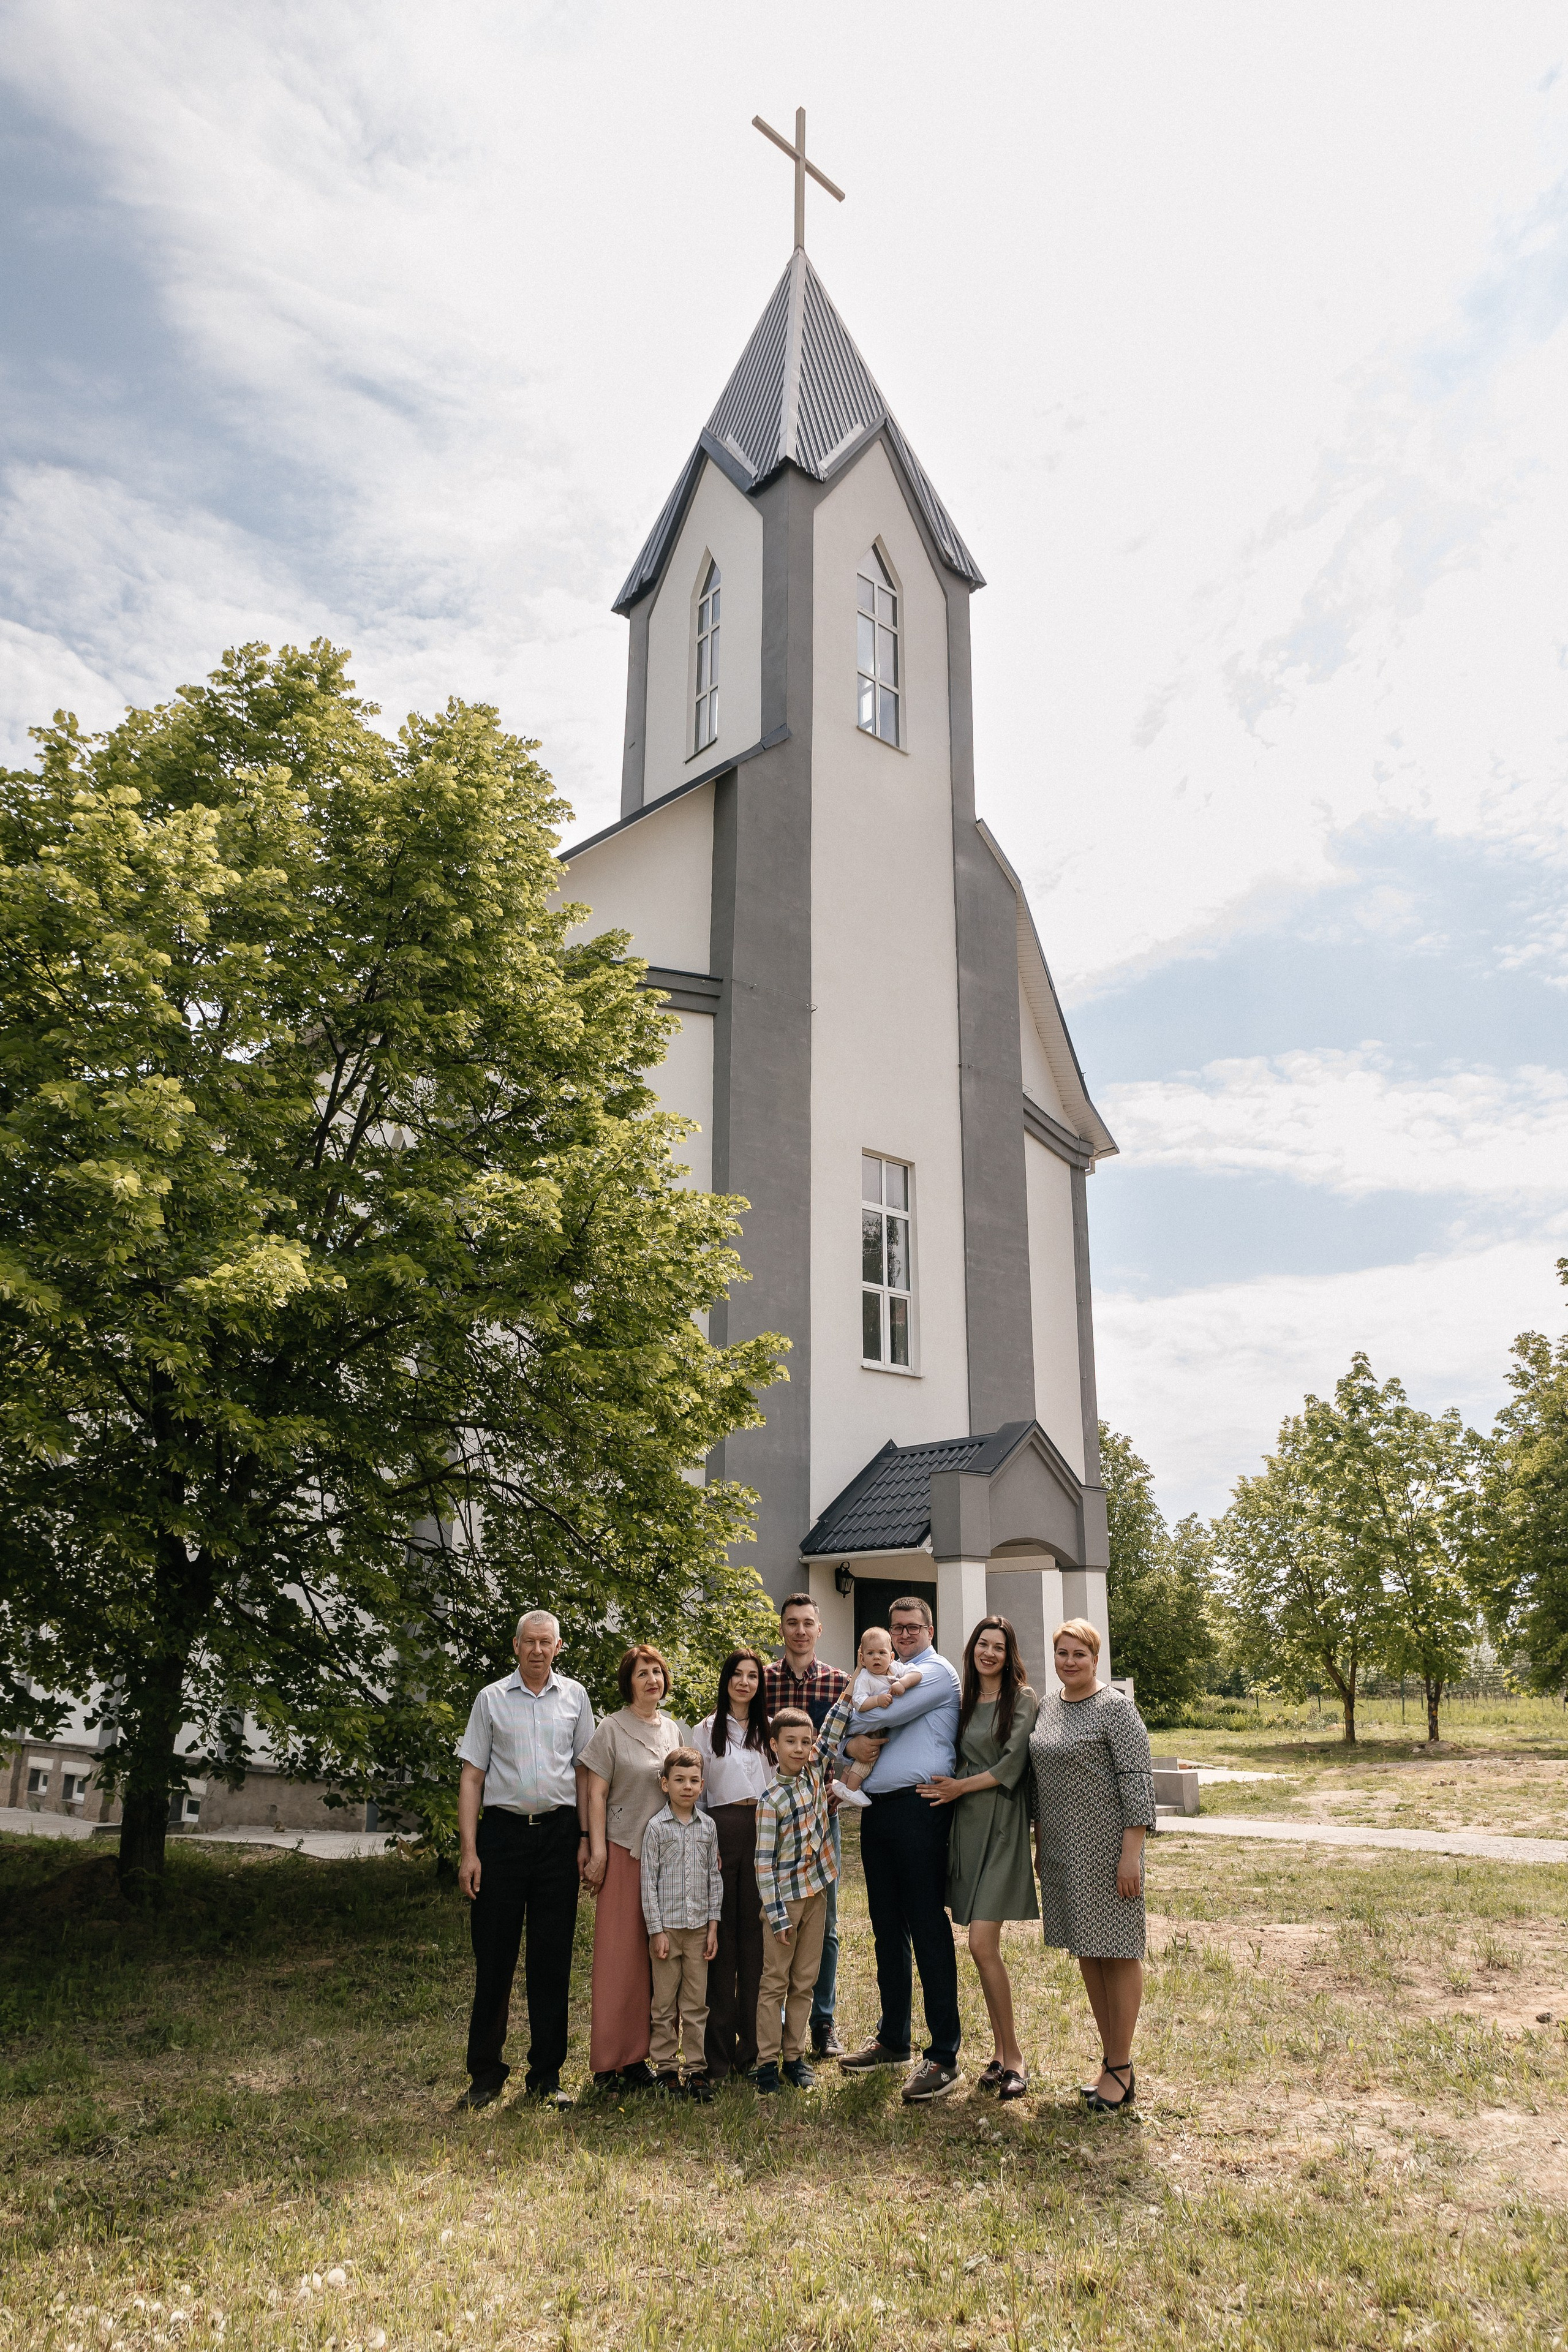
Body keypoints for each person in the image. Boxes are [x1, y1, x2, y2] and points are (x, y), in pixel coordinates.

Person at [455, 1609, 595, 2111]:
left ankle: (546, 2075)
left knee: (551, 1960)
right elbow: (471, 1777)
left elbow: (586, 1774)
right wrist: (470, 1851)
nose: (538, 1650)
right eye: (529, 1642)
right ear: (516, 1646)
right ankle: (485, 2075)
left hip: (558, 1838)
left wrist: (585, 1839)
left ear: (559, 1647)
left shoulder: (576, 1698)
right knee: (494, 1958)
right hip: (502, 1840)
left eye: (546, 1643)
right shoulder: (491, 1699)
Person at [837, 1594, 965, 2103]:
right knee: (886, 1926)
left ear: (930, 1629)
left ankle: (944, 2053)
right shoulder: (887, 1672)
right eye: (897, 1629)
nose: (905, 1635)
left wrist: (850, 1723)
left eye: (913, 1627)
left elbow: (861, 1717)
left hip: (919, 1808)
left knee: (926, 1924)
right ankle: (894, 2040)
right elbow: (853, 1722)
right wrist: (850, 1730)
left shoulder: (935, 1674)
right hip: (878, 1811)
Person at [1029, 1616, 1156, 2111]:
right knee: (1087, 1949)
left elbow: (1137, 1783)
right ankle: (1110, 2062)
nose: (1069, 1662)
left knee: (1119, 1951)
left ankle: (1121, 2068)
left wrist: (1132, 1855)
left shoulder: (1116, 1711)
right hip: (1062, 1848)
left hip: (1108, 1848)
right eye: (1062, 1654)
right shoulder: (1048, 1707)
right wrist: (1042, 1842)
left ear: (1095, 1658)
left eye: (1078, 1654)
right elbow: (1040, 1783)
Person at [918, 1615, 1039, 2100]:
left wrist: (958, 1788)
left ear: (1010, 1655)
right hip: (966, 1825)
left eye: (999, 1647)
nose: (989, 1653)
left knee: (982, 1945)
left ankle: (1015, 2058)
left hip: (1004, 1823)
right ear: (972, 1650)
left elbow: (1012, 1764)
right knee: (980, 1947)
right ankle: (998, 2053)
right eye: (983, 1645)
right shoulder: (964, 1701)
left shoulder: (1024, 1700)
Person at [578, 1645, 688, 2090]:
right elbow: (595, 1794)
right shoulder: (610, 1728)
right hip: (624, 1853)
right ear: (629, 1682)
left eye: (658, 1672)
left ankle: (641, 2058)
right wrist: (597, 1850)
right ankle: (608, 2062)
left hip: (666, 1859)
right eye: (643, 1673)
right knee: (617, 1960)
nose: (652, 1680)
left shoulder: (673, 1731)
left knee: (655, 1962)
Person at [752, 1695, 853, 2094]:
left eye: (805, 1742)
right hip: (785, 1902)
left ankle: (793, 2057)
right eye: (790, 1741)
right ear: (774, 1745)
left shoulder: (815, 1772)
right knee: (774, 1981)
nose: (799, 1748)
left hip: (817, 1895)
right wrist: (777, 1917)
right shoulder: (770, 1801)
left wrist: (858, 1678)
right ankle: (765, 2063)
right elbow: (763, 1864)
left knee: (805, 1981)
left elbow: (834, 1726)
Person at [763, 1593, 850, 2058]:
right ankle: (777, 2024)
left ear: (819, 1630)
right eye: (792, 1622)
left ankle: (822, 2023)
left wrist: (848, 1781)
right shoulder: (761, 1682)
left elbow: (858, 1741)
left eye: (808, 1623)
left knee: (826, 1923)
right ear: (782, 1629)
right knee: (777, 1919)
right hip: (775, 1825)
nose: (800, 1630)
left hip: (822, 1824)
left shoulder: (840, 1683)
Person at [692, 1648, 774, 2082]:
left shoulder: (771, 1729)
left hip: (763, 1831)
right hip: (721, 1831)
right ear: (726, 1680)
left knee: (755, 1941)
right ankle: (717, 2057)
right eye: (738, 1675)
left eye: (753, 1676)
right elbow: (696, 1793)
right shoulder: (705, 1731)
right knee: (721, 1940)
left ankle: (755, 2053)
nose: (745, 1682)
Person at [639, 1747, 723, 2100]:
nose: (687, 1787)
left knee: (695, 2004)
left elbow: (713, 1879)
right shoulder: (657, 1829)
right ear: (665, 1784)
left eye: (693, 1781)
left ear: (702, 1785)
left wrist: (713, 1926)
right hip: (668, 1932)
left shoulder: (708, 1827)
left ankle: (696, 2070)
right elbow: (648, 1881)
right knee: (663, 2005)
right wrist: (656, 1930)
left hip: (699, 1932)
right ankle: (666, 2069)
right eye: (679, 1780)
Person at [832, 1624, 924, 1806]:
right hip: (868, 1728)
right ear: (862, 1659)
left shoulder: (896, 1669)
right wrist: (878, 1700)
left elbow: (918, 1674)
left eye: (882, 1653)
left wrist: (903, 1684)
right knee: (869, 1758)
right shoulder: (865, 1678)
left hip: (880, 1727)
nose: (876, 1658)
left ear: (891, 1657)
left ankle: (843, 1783)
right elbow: (858, 1703)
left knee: (860, 1758)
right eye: (871, 1654)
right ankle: (852, 1788)